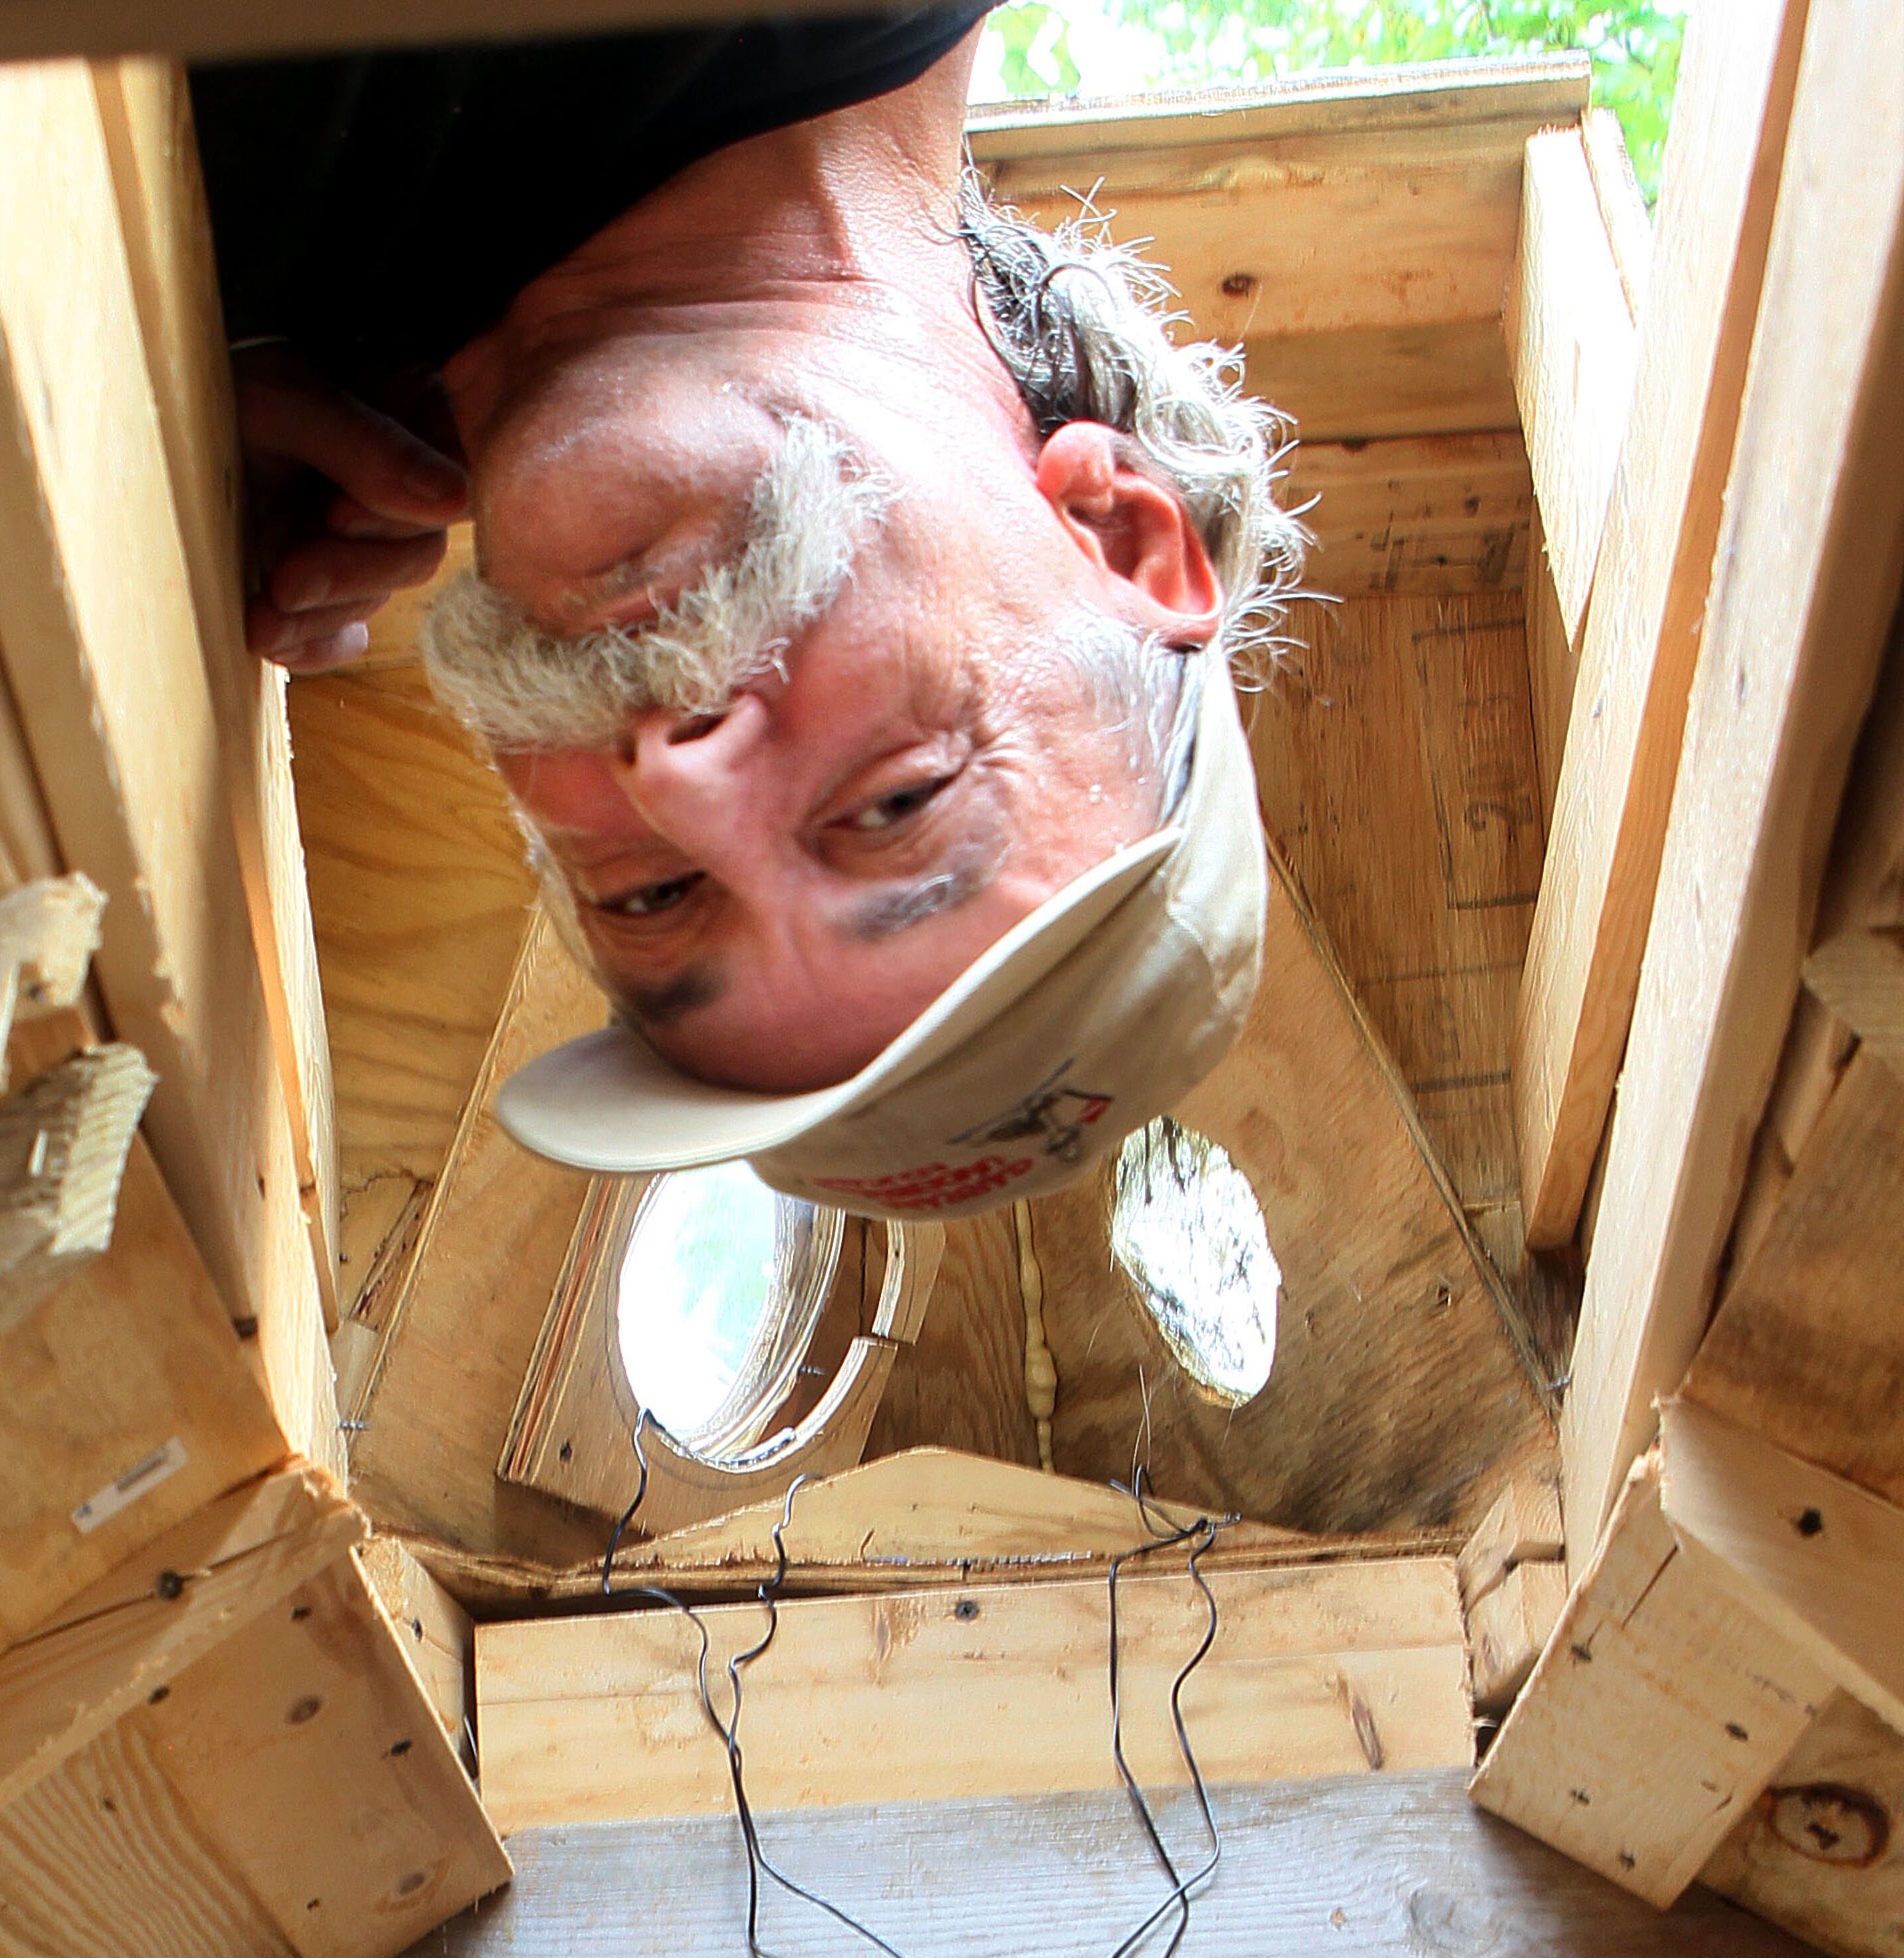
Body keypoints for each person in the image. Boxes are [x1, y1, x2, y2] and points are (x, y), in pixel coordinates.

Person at [193, 22, 1300, 1213]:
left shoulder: (255, 324)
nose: (675, 781)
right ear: (1116, 529)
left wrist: (157, 350)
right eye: (897, 804)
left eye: (652, 895)